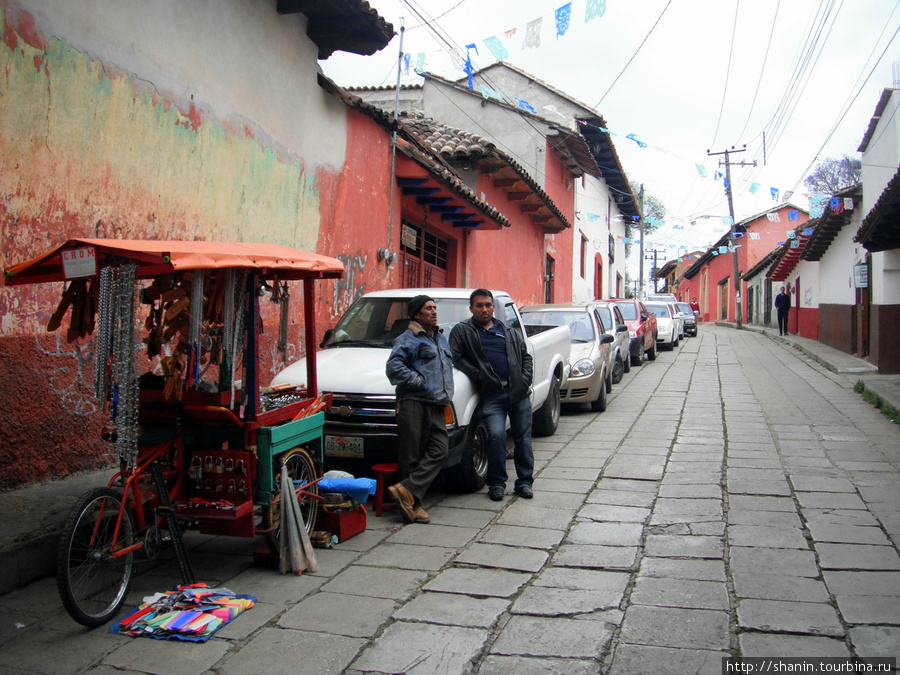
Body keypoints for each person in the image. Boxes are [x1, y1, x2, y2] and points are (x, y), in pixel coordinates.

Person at [449, 289, 534, 501]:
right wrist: (478, 374)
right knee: (496, 436)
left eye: (487, 305)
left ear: (493, 307)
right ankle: (496, 483)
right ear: (471, 308)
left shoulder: (508, 330)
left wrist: (525, 380)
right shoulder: (462, 331)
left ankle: (524, 483)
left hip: (518, 392)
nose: (484, 309)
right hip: (492, 395)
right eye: (479, 305)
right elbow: (456, 357)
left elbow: (526, 357)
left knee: (523, 438)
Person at [385, 295, 454, 525]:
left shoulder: (441, 338)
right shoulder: (409, 338)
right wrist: (418, 380)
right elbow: (394, 368)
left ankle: (406, 491)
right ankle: (412, 505)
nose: (434, 312)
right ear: (417, 315)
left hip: (436, 404)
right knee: (411, 455)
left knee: (440, 450)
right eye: (428, 309)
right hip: (413, 402)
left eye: (435, 308)